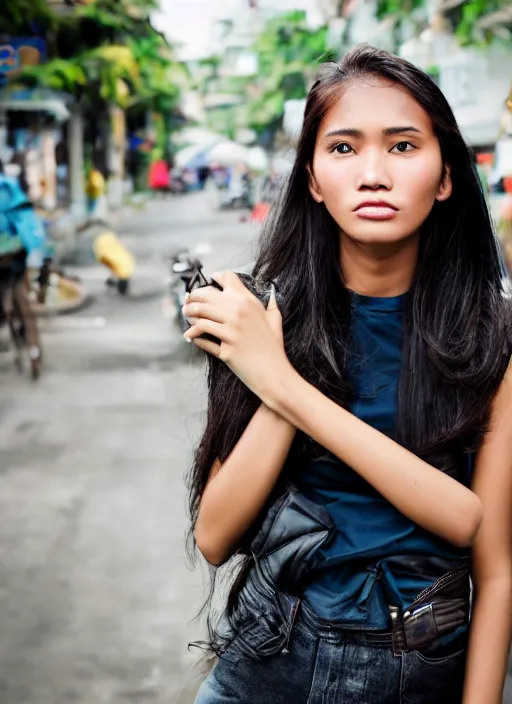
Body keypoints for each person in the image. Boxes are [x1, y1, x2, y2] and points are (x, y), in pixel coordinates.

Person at [183, 45, 512, 704]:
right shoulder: (259, 316)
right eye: (342, 148)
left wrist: (280, 380)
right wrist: (274, 362)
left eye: (402, 147)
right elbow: (216, 536)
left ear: (446, 175)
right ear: (310, 177)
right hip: (265, 661)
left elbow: (490, 555)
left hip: (419, 671)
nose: (372, 174)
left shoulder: (491, 338)